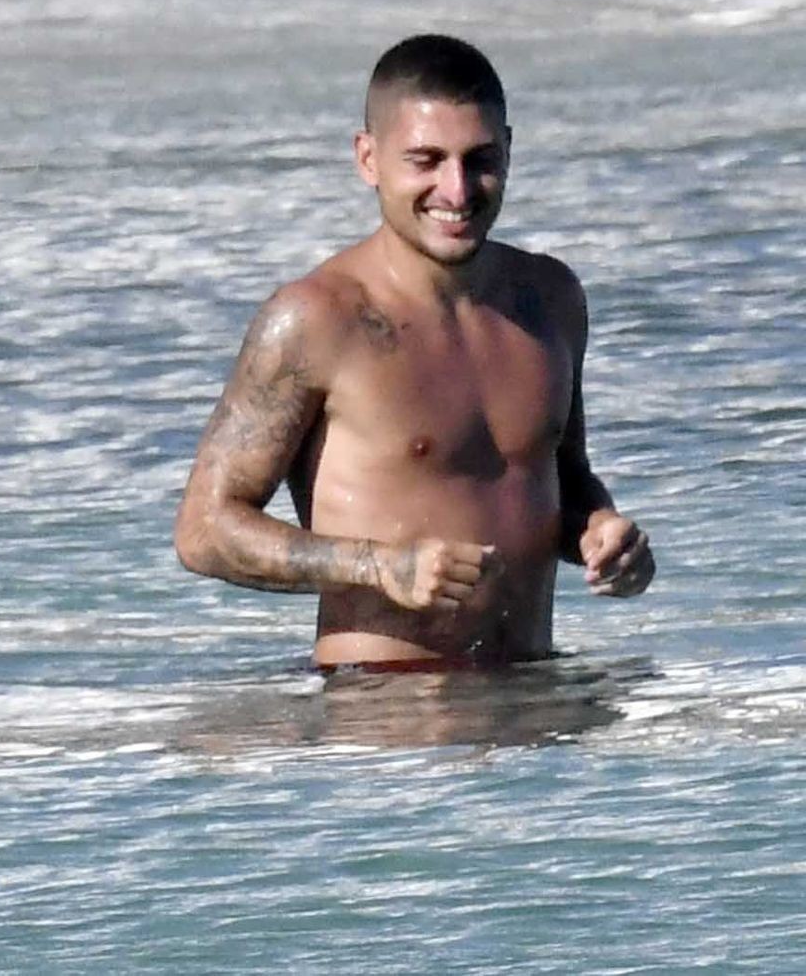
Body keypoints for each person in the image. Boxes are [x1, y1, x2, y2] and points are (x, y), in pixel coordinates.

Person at [173, 34, 655, 671]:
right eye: (426, 161)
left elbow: (557, 478)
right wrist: (378, 567)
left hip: (535, 694)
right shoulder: (318, 319)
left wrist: (601, 534)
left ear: (509, 149)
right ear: (368, 159)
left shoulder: (549, 299)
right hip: (382, 706)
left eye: (479, 160)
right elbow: (204, 530)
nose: (456, 190)